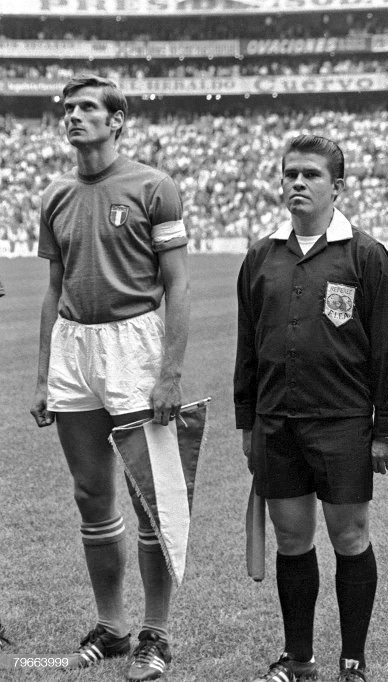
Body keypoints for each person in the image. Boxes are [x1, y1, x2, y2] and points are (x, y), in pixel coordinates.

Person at [28, 74, 189, 681]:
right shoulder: (53, 194)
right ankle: (113, 626)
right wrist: (43, 375)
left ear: (117, 120)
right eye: (68, 108)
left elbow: (178, 284)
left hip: (136, 345)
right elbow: (51, 289)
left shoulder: (153, 185)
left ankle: (156, 633)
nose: (73, 116)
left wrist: (169, 371)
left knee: (150, 502)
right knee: (92, 496)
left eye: (88, 108)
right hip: (74, 347)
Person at [235, 134, 388, 682]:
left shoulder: (366, 255)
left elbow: (386, 349)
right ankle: (299, 658)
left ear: (338, 185)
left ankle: (352, 661)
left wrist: (382, 429)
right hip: (277, 423)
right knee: (292, 540)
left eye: (310, 174)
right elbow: (247, 344)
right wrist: (247, 420)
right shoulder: (261, 255)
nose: (298, 183)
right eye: (290, 174)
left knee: (350, 538)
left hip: (342, 423)